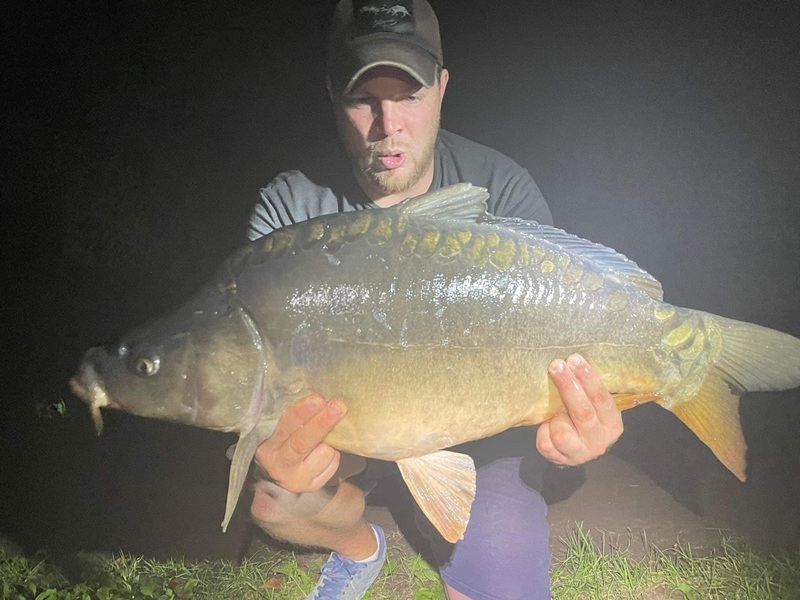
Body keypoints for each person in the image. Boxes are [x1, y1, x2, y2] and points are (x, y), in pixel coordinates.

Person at [247, 1, 623, 598]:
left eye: (410, 95)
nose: (387, 124)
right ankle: (359, 546)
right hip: (346, 434)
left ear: (443, 88)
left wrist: (573, 432)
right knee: (275, 499)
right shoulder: (292, 209)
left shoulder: (500, 189)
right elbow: (257, 373)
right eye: (362, 99)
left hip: (478, 442)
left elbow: (556, 345)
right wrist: (270, 443)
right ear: (332, 96)